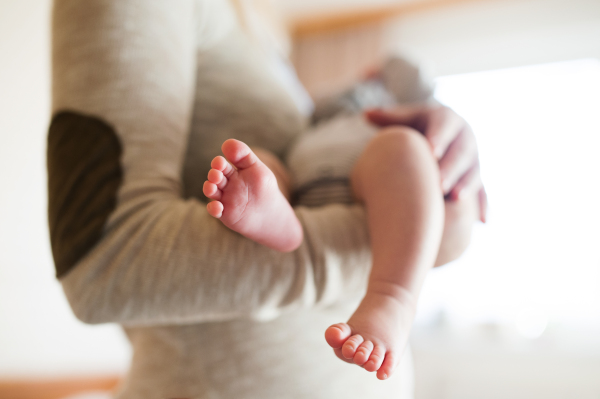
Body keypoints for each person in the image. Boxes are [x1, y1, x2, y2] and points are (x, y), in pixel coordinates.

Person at [47, 0, 485, 397]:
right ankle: (377, 288)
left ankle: (283, 218)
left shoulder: (259, 28)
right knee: (264, 166)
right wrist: (423, 230)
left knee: (302, 162)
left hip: (337, 166)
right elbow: (100, 265)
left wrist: (441, 137)